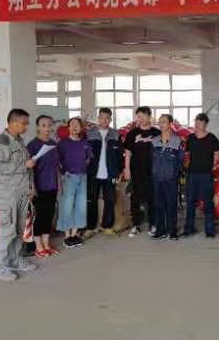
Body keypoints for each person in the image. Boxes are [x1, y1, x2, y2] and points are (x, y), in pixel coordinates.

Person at [0, 109, 37, 282]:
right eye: (24, 123)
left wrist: (31, 187)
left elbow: (28, 167)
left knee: (19, 230)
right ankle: (0, 267)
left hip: (22, 191)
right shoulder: (0, 142)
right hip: (7, 194)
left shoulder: (19, 141)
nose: (26, 127)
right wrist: (24, 165)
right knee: (7, 231)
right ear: (13, 122)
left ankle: (15, 260)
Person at [123, 106, 160, 237]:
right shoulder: (132, 133)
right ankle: (135, 225)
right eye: (139, 116)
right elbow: (128, 153)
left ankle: (152, 224)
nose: (141, 119)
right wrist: (127, 169)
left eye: (144, 116)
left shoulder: (156, 133)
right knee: (135, 198)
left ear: (149, 117)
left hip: (153, 171)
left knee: (152, 198)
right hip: (136, 171)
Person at [26, 115, 60, 257]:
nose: (47, 128)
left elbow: (56, 166)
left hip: (52, 185)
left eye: (50, 125)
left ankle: (46, 244)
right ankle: (38, 246)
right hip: (39, 186)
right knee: (39, 216)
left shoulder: (53, 144)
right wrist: (31, 187)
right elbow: (28, 169)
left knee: (49, 215)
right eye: (44, 125)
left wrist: (59, 184)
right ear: (38, 127)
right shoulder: (32, 145)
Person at [183, 112, 219, 238]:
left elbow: (216, 155)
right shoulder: (190, 138)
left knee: (208, 202)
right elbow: (187, 155)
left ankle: (209, 230)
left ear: (205, 124)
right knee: (190, 202)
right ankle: (189, 228)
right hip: (191, 175)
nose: (197, 124)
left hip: (206, 175)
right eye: (196, 122)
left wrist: (210, 166)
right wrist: (187, 165)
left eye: (200, 122)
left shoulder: (212, 138)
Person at [86, 107, 123, 236]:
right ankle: (90, 227)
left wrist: (120, 171)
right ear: (98, 118)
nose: (104, 120)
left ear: (110, 119)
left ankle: (107, 226)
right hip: (92, 173)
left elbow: (120, 155)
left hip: (110, 173)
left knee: (110, 200)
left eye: (107, 118)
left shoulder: (116, 134)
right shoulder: (89, 134)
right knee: (91, 200)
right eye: (102, 117)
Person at [57, 117, 92, 248]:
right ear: (68, 128)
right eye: (72, 124)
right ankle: (67, 236)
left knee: (81, 206)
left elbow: (88, 158)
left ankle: (74, 234)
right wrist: (65, 172)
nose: (75, 127)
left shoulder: (85, 143)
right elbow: (58, 161)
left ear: (81, 128)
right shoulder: (62, 143)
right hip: (68, 177)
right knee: (67, 206)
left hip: (82, 177)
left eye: (77, 125)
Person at [151, 114, 184, 240]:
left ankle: (172, 231)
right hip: (157, 177)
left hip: (171, 178)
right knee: (158, 204)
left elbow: (180, 159)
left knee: (171, 204)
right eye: (160, 122)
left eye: (164, 122)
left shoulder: (178, 141)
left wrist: (176, 173)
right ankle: (160, 231)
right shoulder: (154, 141)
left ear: (170, 124)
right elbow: (151, 159)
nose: (161, 124)